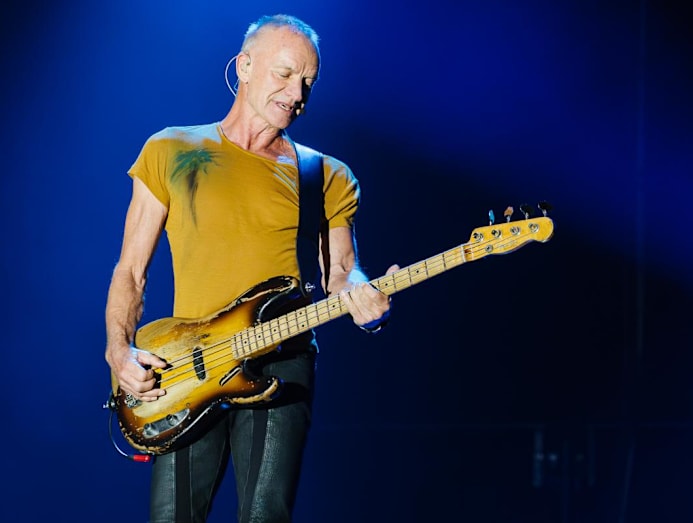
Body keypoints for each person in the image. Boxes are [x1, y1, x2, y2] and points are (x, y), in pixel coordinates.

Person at [104, 13, 396, 523]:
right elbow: (131, 270)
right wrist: (118, 350)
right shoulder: (171, 149)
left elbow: (342, 272)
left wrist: (365, 297)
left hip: (282, 358)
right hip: (186, 366)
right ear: (243, 66)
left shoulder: (325, 174)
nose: (296, 93)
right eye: (284, 74)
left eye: (308, 81)